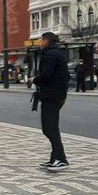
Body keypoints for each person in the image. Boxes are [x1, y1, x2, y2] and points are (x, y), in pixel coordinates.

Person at [33, 32, 70, 171]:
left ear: (46, 40)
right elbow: (64, 75)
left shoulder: (50, 55)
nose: (39, 42)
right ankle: (55, 158)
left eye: (41, 40)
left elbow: (47, 74)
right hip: (57, 95)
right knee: (52, 127)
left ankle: (61, 159)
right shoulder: (57, 53)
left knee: (49, 128)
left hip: (51, 95)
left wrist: (35, 79)